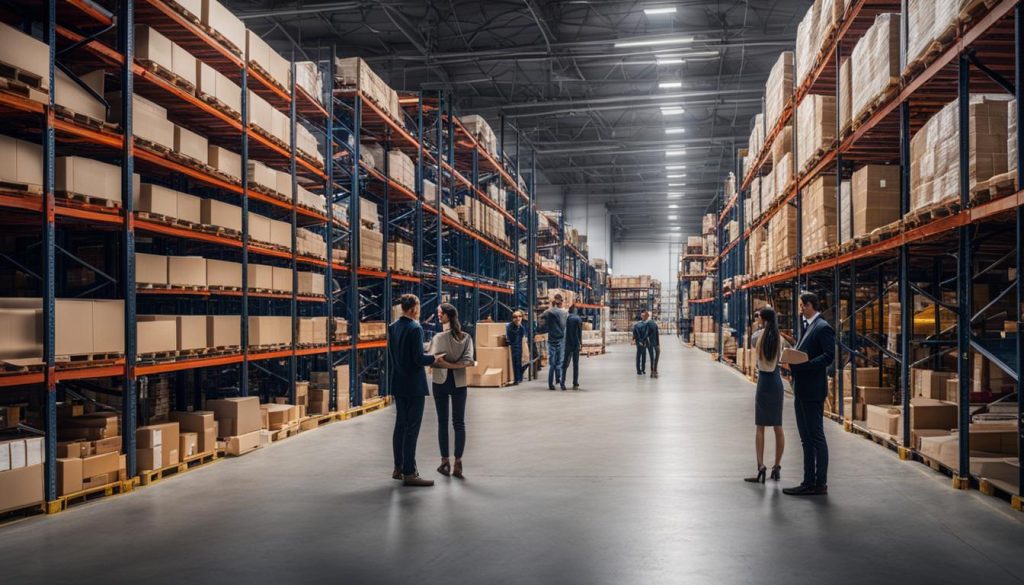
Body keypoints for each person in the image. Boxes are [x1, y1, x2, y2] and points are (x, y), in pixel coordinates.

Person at [388, 294, 447, 487]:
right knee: (412, 428)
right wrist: (434, 359)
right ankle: (410, 472)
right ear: (414, 308)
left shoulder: (393, 327)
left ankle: (398, 468)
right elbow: (417, 359)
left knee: (400, 426)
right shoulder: (415, 328)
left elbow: (395, 356)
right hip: (414, 385)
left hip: (399, 382)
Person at [782, 291, 835, 496]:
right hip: (802, 389)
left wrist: (801, 366)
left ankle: (819, 483)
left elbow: (828, 357)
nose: (800, 309)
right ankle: (808, 481)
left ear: (810, 305)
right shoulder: (809, 326)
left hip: (813, 390)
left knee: (816, 436)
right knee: (806, 437)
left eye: (802, 305)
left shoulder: (822, 327)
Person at [427, 303, 475, 479]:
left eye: (440, 313)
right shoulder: (466, 337)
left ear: (446, 316)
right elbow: (469, 361)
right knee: (459, 423)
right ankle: (458, 462)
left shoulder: (439, 338)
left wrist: (447, 364)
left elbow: (433, 361)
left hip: (440, 381)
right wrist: (457, 366)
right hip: (459, 382)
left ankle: (445, 462)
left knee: (442, 422)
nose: (438, 316)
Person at [744, 306, 787, 484]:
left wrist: (757, 326)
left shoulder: (757, 336)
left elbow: (753, 342)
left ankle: (760, 466)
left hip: (763, 382)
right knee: (778, 426)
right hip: (776, 382)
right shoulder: (781, 338)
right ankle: (777, 467)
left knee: (760, 426)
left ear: (763, 319)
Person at [537, 293, 568, 390]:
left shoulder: (548, 312)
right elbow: (564, 326)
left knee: (552, 364)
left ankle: (550, 384)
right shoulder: (564, 313)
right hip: (560, 339)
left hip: (551, 339)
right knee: (560, 362)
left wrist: (545, 327)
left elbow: (540, 317)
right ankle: (559, 380)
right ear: (561, 302)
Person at [562, 307, 583, 389]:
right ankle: (575, 383)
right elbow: (579, 333)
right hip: (576, 344)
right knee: (575, 364)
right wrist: (581, 343)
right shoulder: (578, 319)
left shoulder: (568, 318)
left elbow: (566, 332)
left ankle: (562, 383)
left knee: (565, 364)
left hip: (568, 344)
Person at [506, 311, 527, 385]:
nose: (518, 318)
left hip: (520, 347)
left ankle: (519, 377)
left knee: (521, 363)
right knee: (516, 363)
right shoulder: (511, 327)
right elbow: (510, 338)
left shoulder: (521, 326)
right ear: (513, 318)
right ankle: (517, 379)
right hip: (514, 347)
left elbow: (524, 336)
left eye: (519, 316)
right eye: (515, 317)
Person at [644, 311, 660, 378]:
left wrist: (644, 341)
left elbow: (646, 334)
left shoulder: (646, 324)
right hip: (655, 343)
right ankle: (655, 370)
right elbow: (657, 334)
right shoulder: (654, 323)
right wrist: (658, 344)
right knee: (656, 356)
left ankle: (652, 372)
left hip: (650, 343)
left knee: (652, 357)